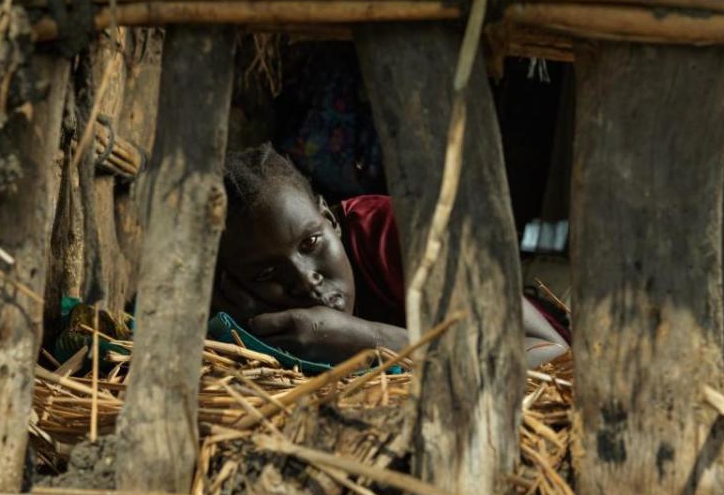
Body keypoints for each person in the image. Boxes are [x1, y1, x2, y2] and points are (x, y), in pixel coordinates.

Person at [214, 143, 568, 368]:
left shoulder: (398, 235)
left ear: (331, 219)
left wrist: (370, 339)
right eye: (266, 274)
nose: (306, 280)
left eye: (311, 244)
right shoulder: (236, 311)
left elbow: (553, 353)